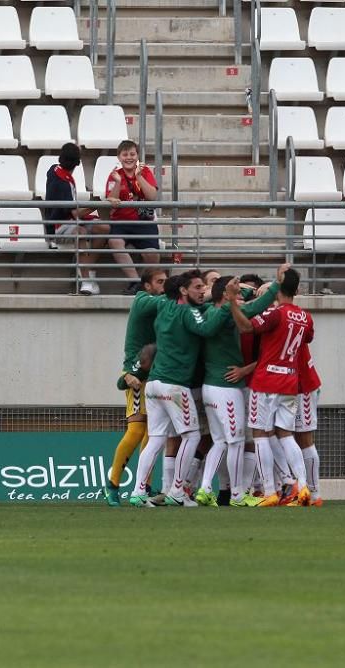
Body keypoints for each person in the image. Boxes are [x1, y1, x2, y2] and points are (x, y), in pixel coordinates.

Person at [128, 270, 226, 507]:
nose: (202, 291)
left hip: (154, 384)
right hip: (174, 386)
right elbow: (207, 329)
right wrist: (223, 306)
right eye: (197, 287)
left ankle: (138, 491)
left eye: (204, 287)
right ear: (183, 291)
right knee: (191, 435)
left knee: (156, 439)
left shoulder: (165, 308)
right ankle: (177, 492)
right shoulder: (187, 312)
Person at [194, 266, 285, 508]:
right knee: (234, 441)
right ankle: (237, 494)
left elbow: (253, 306)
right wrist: (275, 286)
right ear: (225, 292)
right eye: (235, 283)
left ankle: (204, 489)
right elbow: (254, 308)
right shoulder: (225, 311)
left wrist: (274, 285)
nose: (240, 286)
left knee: (220, 441)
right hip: (226, 387)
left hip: (210, 386)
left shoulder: (209, 310)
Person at [228, 268, 315, 507]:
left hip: (266, 380)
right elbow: (307, 339)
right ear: (297, 290)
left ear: (278, 287)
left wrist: (232, 304)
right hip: (289, 381)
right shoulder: (306, 317)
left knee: (260, 434)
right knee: (286, 434)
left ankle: (269, 491)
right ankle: (303, 487)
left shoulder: (276, 314)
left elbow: (246, 327)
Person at [103, 267, 168, 507]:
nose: (163, 285)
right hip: (137, 371)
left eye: (166, 282)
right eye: (160, 282)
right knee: (137, 431)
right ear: (147, 285)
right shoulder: (143, 300)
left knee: (154, 432)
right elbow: (167, 302)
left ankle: (144, 486)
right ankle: (113, 484)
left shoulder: (157, 302)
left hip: (156, 370)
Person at [43, 142, 109, 296]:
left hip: (70, 220)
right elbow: (74, 213)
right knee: (81, 232)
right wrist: (95, 206)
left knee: (105, 229)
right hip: (58, 226)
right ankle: (85, 280)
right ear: (77, 163)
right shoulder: (62, 183)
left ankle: (88, 267)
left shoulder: (55, 170)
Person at [107, 141, 160, 296]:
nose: (129, 158)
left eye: (132, 154)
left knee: (152, 253)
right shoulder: (115, 175)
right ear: (119, 157)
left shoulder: (145, 172)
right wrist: (117, 182)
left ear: (137, 156)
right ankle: (135, 282)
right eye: (125, 154)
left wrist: (138, 176)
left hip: (144, 222)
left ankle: (146, 285)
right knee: (114, 241)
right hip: (121, 222)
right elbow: (113, 202)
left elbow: (152, 197)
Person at [294, 342, 322, 507]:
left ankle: (314, 493)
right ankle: (300, 489)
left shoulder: (288, 318)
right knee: (289, 438)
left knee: (304, 438)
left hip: (303, 386)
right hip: (291, 386)